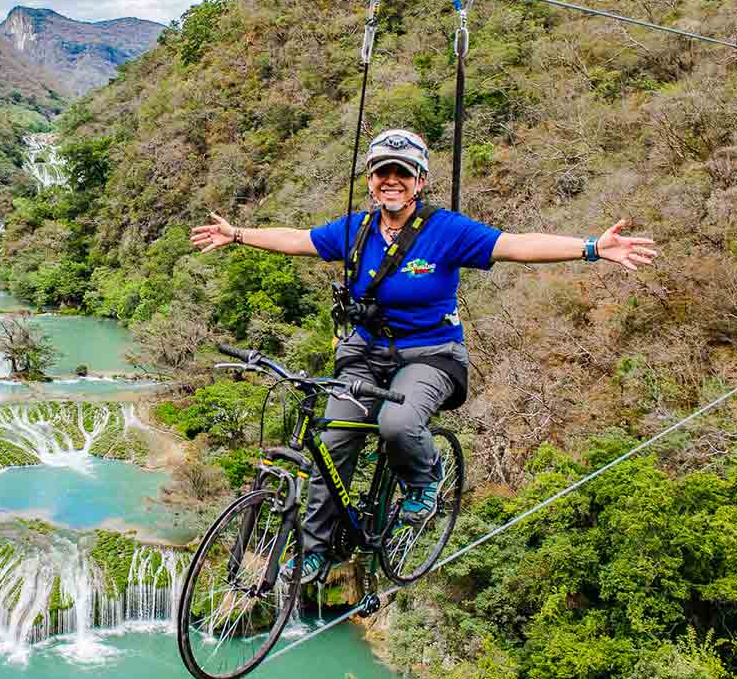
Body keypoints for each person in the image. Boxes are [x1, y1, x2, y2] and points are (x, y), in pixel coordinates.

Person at [189, 128, 657, 583]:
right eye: (382, 173)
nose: (391, 181)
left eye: (402, 173)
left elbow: (513, 246)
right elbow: (299, 239)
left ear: (419, 181)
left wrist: (592, 248)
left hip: (431, 354)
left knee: (397, 423)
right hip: (365, 352)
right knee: (332, 443)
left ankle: (424, 479)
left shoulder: (445, 231)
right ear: (370, 180)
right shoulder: (356, 229)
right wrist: (238, 235)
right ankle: (314, 553)